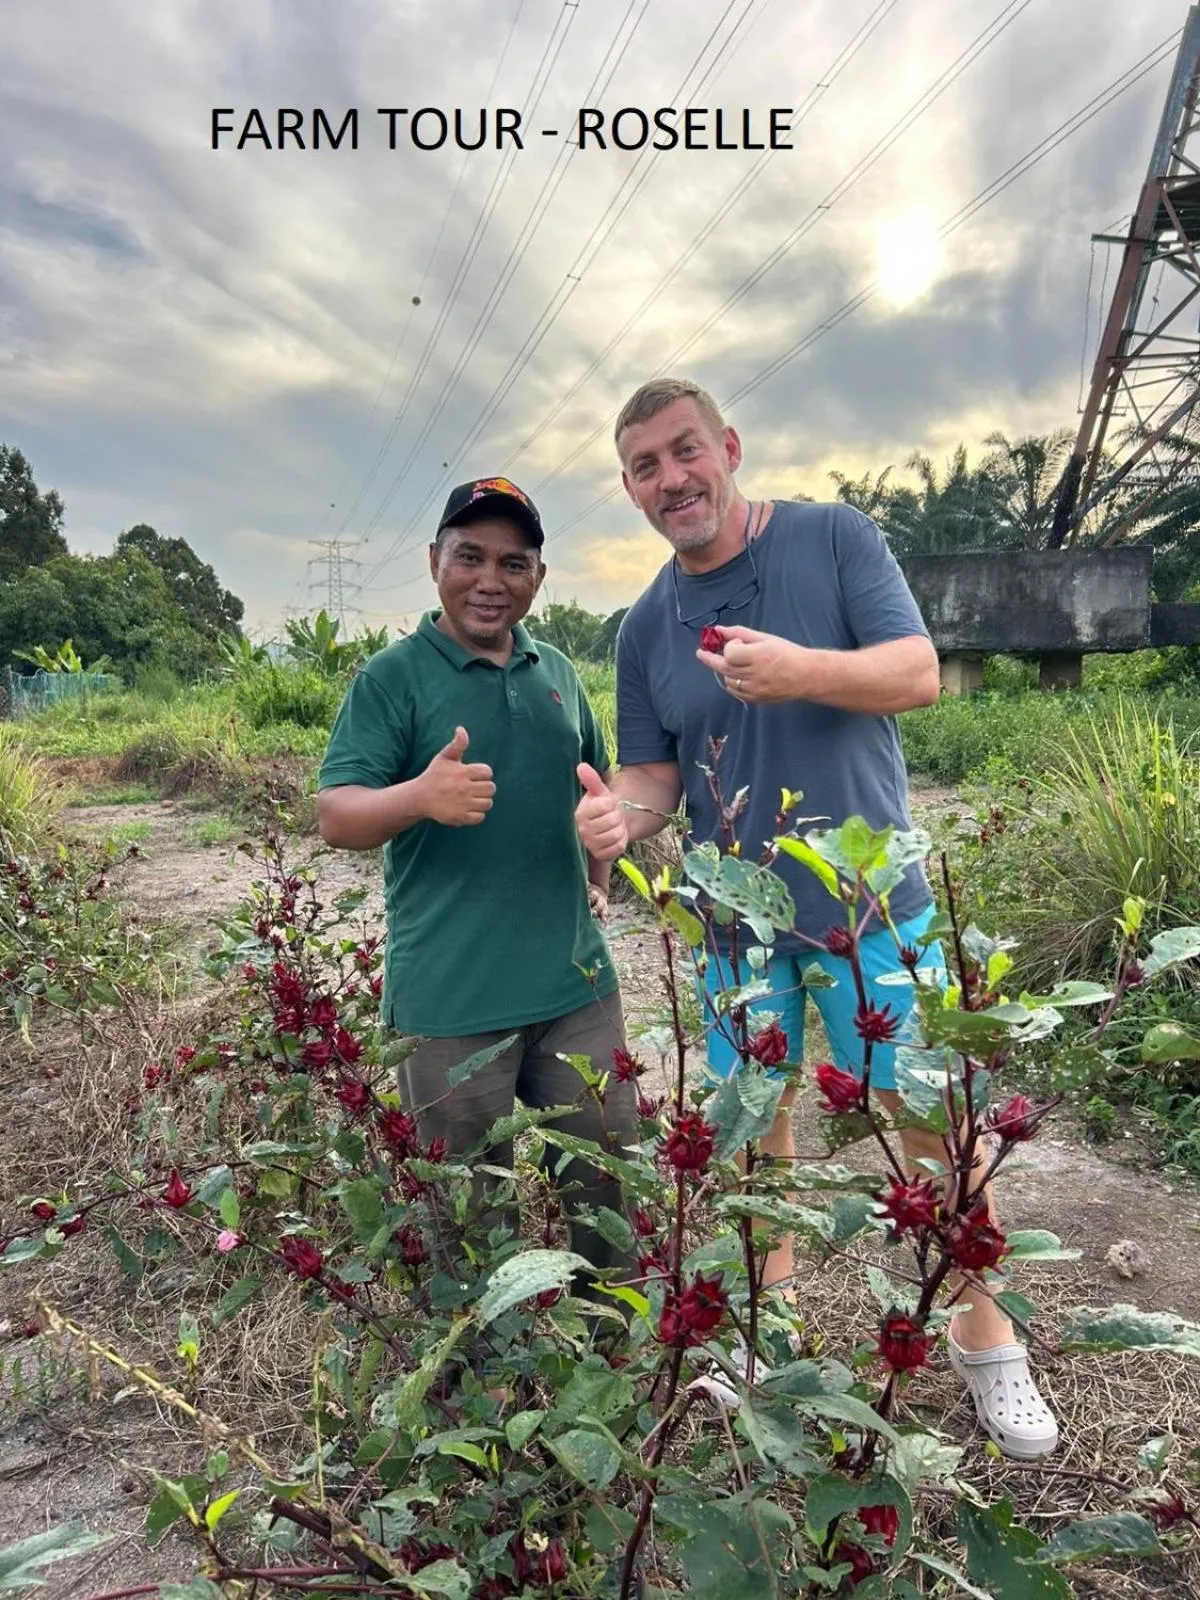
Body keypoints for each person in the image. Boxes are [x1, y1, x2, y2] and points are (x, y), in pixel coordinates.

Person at [573, 377, 1058, 1459]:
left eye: (685, 450)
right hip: (735, 926)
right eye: (645, 466)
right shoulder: (645, 624)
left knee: (930, 1124)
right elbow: (654, 777)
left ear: (730, 447)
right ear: (631, 489)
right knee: (754, 1128)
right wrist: (616, 819)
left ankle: (986, 1340)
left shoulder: (834, 540)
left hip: (868, 908)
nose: (671, 478)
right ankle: (771, 1329)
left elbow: (917, 673)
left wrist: (802, 672)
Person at [317, 475, 634, 1295]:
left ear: (538, 576)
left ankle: (614, 1340)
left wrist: (600, 868)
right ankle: (483, 1361)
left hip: (575, 989)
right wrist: (418, 797)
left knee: (607, 1182)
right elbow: (337, 815)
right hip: (451, 1007)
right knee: (467, 1217)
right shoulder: (391, 679)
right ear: (435, 562)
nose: (491, 580)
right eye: (470, 557)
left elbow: (595, 787)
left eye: (513, 563)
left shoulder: (557, 671)